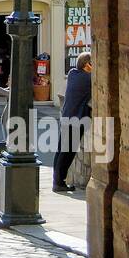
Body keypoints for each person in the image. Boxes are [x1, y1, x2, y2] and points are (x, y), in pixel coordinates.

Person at [54, 51, 93, 191]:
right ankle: (59, 183)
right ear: (87, 65)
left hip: (66, 117)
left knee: (60, 150)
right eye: (91, 64)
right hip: (76, 120)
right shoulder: (88, 79)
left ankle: (57, 181)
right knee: (67, 152)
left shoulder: (72, 74)